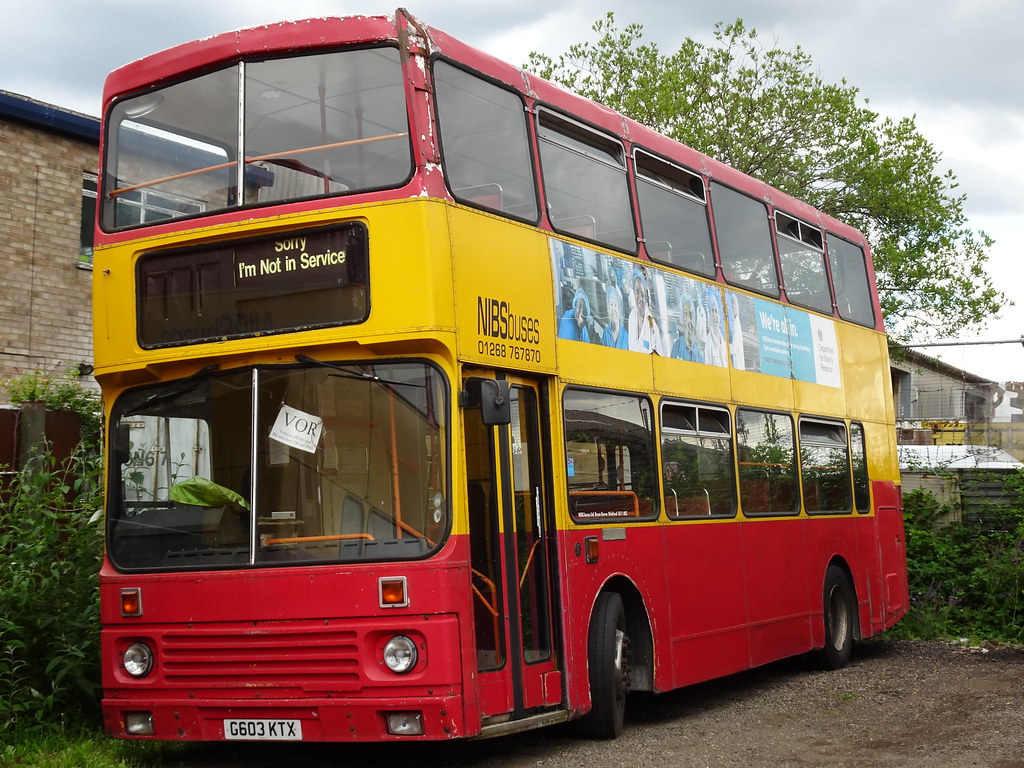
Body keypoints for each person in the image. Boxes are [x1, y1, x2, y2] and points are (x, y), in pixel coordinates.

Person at [627, 270, 663, 354]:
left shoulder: (652, 325)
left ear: (646, 295)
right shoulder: (632, 315)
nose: (640, 298)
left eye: (642, 293)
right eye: (637, 292)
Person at [670, 298, 704, 362]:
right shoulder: (677, 345)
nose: (688, 319)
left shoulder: (697, 351)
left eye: (690, 314)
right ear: (682, 317)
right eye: (685, 314)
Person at [703, 292, 727, 367]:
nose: (715, 315)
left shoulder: (723, 340)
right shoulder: (708, 342)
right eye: (712, 311)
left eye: (716, 311)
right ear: (709, 315)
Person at [601, 284, 629, 349]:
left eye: (615, 305)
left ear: (619, 309)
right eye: (611, 304)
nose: (613, 309)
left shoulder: (625, 334)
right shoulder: (606, 332)